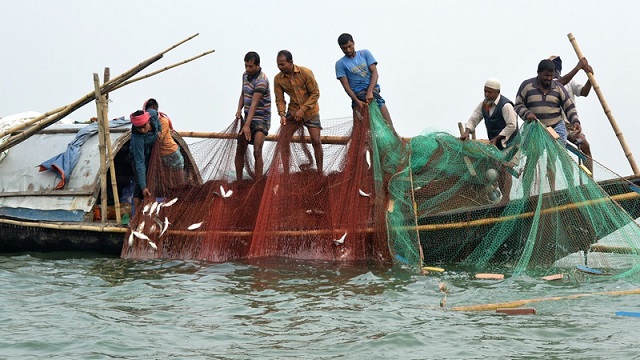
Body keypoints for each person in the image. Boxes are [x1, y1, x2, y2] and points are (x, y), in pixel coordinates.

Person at [514, 59, 581, 189]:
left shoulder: (558, 88)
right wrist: (527, 114)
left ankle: (565, 189)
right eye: (546, 75)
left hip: (556, 126)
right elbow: (518, 105)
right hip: (536, 128)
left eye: (551, 76)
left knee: (560, 157)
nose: (549, 79)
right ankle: (526, 192)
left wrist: (575, 121)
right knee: (532, 159)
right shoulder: (527, 86)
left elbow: (569, 107)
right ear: (538, 73)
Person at [461, 78, 518, 201]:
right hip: (496, 146)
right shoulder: (485, 105)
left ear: (497, 92)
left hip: (511, 144)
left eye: (490, 92)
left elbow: (512, 125)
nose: (486, 94)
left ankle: (506, 198)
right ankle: (503, 197)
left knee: (506, 168)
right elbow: (474, 119)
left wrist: (498, 137)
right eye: (485, 91)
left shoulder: (506, 105)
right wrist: (466, 132)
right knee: (496, 170)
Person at [274, 50, 323, 173]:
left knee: (316, 141)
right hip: (293, 112)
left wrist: (303, 110)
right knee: (283, 140)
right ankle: (286, 172)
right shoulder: (278, 79)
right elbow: (280, 99)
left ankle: (320, 171)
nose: (280, 67)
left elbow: (315, 93)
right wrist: (282, 114)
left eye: (282, 64)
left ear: (290, 62)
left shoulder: (305, 73)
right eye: (278, 64)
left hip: (311, 111)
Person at [335, 33, 394, 129]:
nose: (348, 50)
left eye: (349, 46)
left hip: (373, 94)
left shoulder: (365, 54)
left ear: (353, 43)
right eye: (344, 48)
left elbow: (375, 73)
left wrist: (370, 91)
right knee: (362, 133)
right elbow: (346, 87)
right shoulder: (340, 64)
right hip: (358, 97)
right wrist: (357, 101)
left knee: (389, 126)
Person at [549, 55, 594, 173]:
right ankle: (554, 187)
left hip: (570, 125)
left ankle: (590, 181)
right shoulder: (548, 84)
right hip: (553, 125)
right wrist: (578, 67)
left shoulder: (570, 82)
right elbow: (558, 83)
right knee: (553, 155)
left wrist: (590, 78)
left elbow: (584, 92)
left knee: (585, 146)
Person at [235, 51, 271, 182]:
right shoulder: (245, 76)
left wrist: (246, 125)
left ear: (258, 65)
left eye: (250, 67)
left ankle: (258, 182)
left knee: (257, 150)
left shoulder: (262, 80)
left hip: (261, 119)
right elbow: (243, 94)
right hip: (248, 118)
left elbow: (254, 104)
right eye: (246, 66)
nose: (247, 69)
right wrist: (238, 109)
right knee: (240, 148)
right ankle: (238, 181)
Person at [129, 110, 161, 209]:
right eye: (139, 129)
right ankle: (137, 216)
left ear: (148, 121)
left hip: (150, 155)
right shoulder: (137, 138)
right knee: (139, 183)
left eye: (144, 126)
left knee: (153, 179)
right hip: (137, 158)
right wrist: (144, 187)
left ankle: (151, 210)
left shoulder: (153, 116)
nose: (142, 130)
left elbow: (158, 121)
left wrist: (159, 131)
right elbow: (140, 163)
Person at [143, 99, 184, 172]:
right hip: (161, 155)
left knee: (179, 175)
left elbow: (159, 138)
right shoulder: (147, 123)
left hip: (171, 152)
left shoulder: (163, 121)